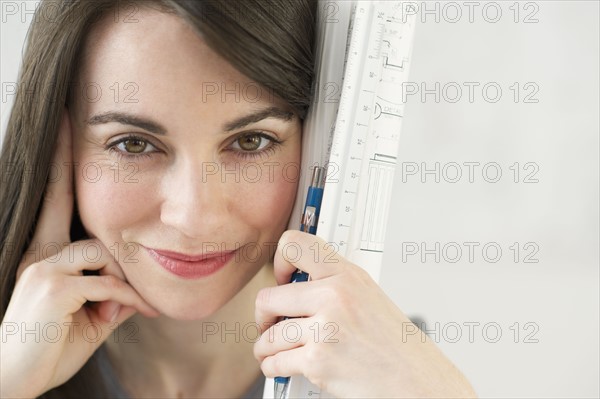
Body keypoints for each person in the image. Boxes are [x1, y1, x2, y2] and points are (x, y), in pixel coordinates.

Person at [0, 1, 477, 398]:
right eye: (134, 144)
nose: (193, 215)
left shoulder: (388, 372)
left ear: (318, 145)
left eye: (251, 142)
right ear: (56, 147)